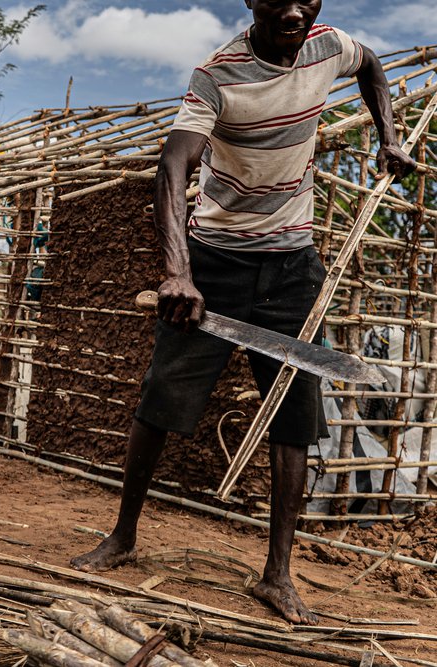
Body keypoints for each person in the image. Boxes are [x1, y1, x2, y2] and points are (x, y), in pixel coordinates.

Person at [70, 0, 416, 626]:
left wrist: (388, 134)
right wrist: (178, 272)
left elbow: (372, 68)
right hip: (216, 263)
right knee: (161, 400)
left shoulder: (330, 44)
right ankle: (122, 535)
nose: (291, 10)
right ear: (249, 1)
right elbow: (174, 165)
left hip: (292, 267)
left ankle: (276, 577)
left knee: (294, 414)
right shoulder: (218, 75)